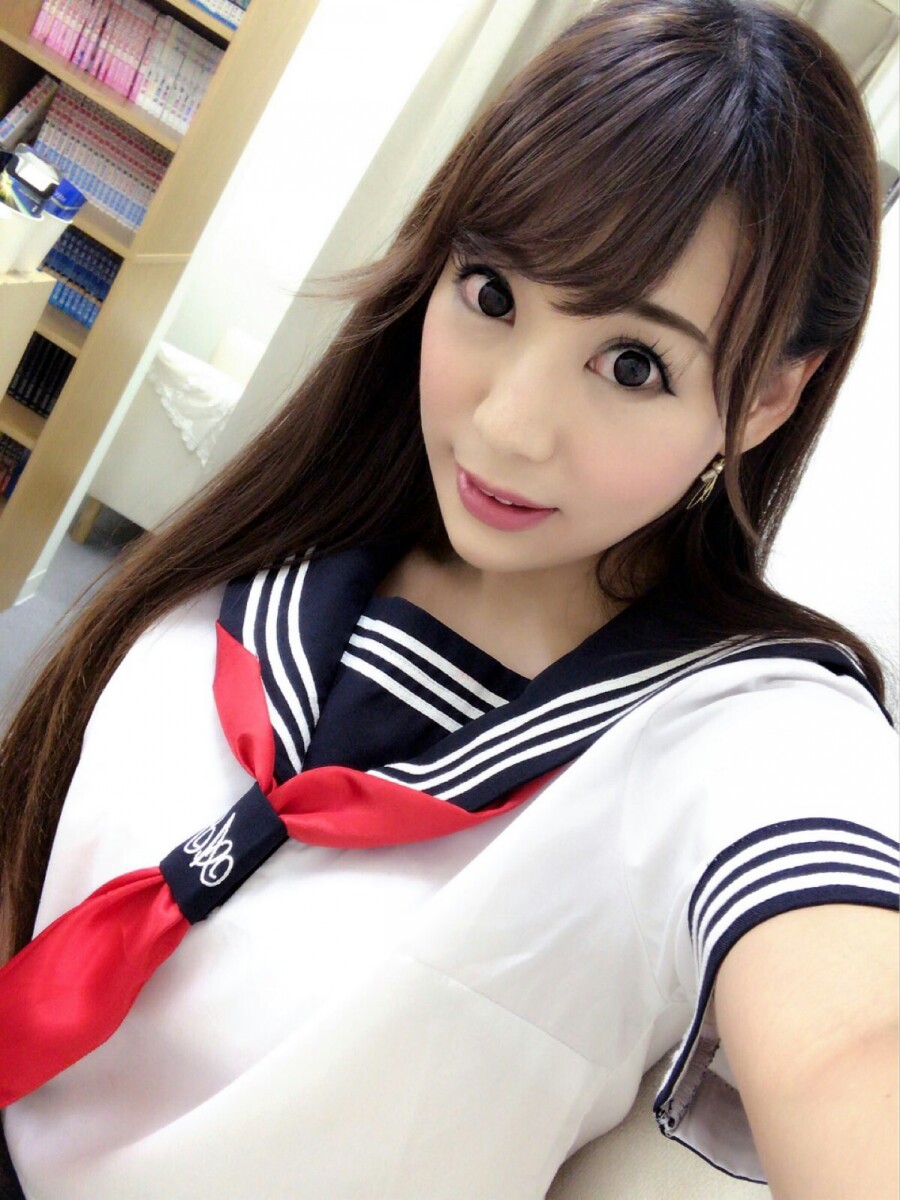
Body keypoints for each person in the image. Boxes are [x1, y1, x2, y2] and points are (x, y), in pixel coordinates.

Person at [0, 0, 897, 1196]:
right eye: (492, 293)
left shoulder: (745, 736)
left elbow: (853, 1044)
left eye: (635, 364)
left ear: (770, 399)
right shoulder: (296, 532)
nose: (510, 427)